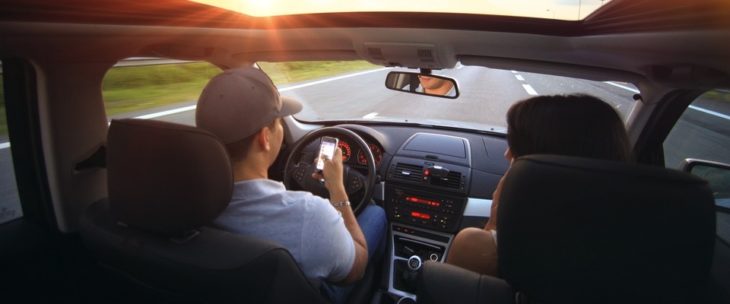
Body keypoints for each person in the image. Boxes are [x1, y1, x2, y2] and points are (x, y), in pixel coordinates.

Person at [195, 67, 387, 303]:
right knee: (376, 214)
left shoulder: (179, 202)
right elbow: (356, 267)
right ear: (265, 138)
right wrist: (337, 187)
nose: (282, 130)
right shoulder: (309, 214)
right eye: (279, 123)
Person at [446, 94, 632, 275]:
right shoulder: (637, 243)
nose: (507, 155)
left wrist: (497, 221)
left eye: (517, 148)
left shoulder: (481, 248)